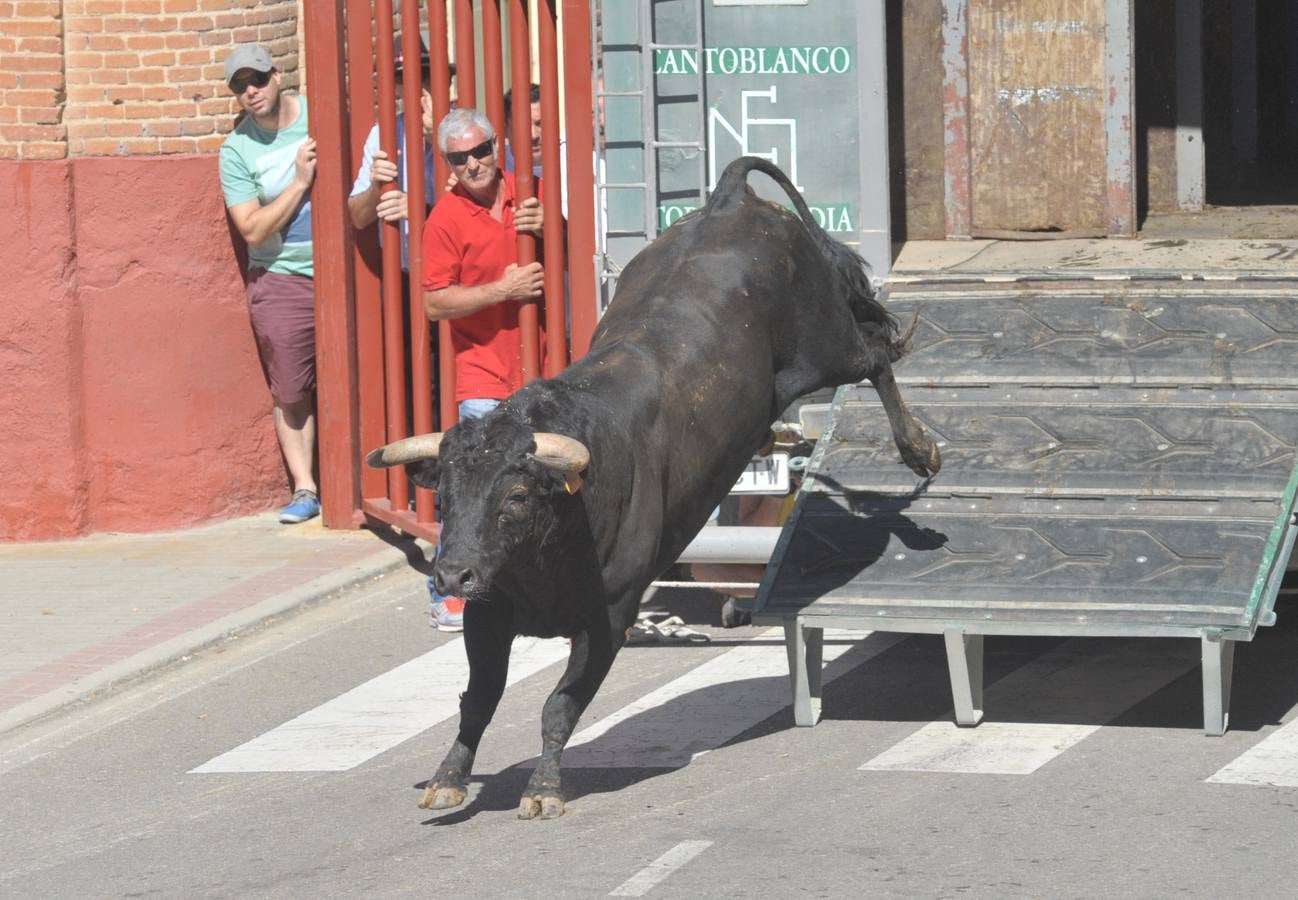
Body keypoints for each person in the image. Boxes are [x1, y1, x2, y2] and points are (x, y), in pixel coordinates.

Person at [419, 107, 547, 630]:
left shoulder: (532, 189)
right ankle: (448, 590)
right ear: (447, 164)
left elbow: (576, 247)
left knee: (541, 487)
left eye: (481, 150)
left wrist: (550, 224)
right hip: (483, 373)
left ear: (498, 145)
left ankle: (537, 588)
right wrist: (503, 290)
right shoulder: (444, 219)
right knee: (472, 491)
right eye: (460, 157)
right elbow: (435, 304)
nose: (475, 163)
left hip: (541, 365)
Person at [218, 43, 321, 525]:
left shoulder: (316, 117)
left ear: (278, 76)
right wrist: (300, 183)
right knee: (291, 389)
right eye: (240, 86)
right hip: (282, 279)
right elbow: (254, 229)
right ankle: (305, 487)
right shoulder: (237, 150)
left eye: (257, 79)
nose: (251, 91)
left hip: (345, 271)